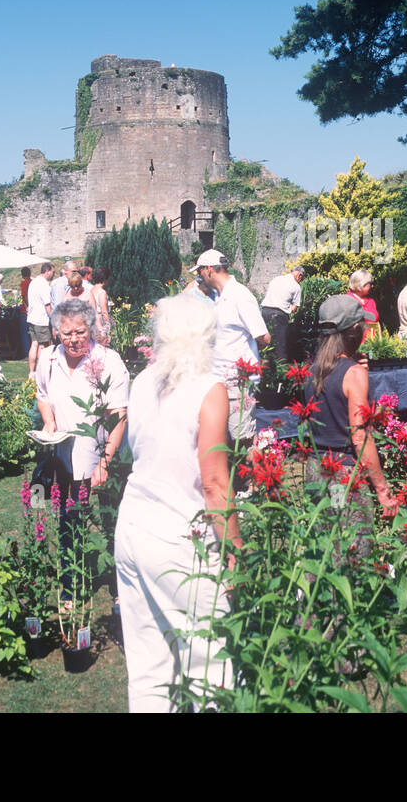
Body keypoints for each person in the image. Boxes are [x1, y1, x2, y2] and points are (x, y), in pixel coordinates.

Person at [114, 292, 241, 712]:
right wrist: (236, 550)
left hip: (132, 524)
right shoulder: (210, 389)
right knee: (211, 664)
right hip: (179, 535)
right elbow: (214, 483)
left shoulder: (144, 381)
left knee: (150, 666)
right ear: (206, 336)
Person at [35, 298, 129, 603]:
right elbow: (43, 396)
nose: (74, 339)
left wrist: (104, 464)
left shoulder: (108, 361)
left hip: (103, 456)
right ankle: (71, 587)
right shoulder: (48, 359)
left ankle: (120, 589)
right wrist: (48, 421)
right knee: (69, 523)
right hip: (64, 459)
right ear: (56, 332)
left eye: (80, 331)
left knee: (111, 523)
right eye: (67, 333)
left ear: (90, 329)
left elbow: (119, 415)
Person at [303, 294, 399, 549]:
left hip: (315, 469)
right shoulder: (353, 373)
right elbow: (360, 437)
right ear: (355, 330)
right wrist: (381, 489)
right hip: (341, 473)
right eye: (363, 325)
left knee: (324, 543)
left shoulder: (310, 370)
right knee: (352, 547)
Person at [196, 249, 269, 446]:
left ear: (209, 270)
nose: (198, 277)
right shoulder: (220, 297)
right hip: (221, 380)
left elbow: (263, 336)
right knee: (225, 439)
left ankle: (255, 474)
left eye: (200, 272)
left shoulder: (240, 295)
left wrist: (246, 358)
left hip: (239, 382)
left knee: (242, 439)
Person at [260, 265, 305, 364]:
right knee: (281, 345)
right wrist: (290, 308)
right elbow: (294, 309)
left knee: (265, 342)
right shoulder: (296, 287)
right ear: (299, 275)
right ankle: (281, 372)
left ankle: (263, 367)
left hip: (264, 311)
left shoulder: (276, 279)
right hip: (279, 315)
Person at [27, 262, 55, 377]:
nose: (53, 274)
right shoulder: (44, 285)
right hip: (41, 319)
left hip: (32, 317)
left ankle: (32, 372)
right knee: (43, 346)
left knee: (34, 344)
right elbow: (47, 305)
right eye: (53, 271)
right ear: (47, 271)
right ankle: (41, 372)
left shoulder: (33, 282)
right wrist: (53, 320)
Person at [346, 269, 379, 342]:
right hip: (354, 346)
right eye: (370, 284)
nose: (372, 286)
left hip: (372, 344)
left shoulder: (371, 301)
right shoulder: (347, 300)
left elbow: (374, 323)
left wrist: (378, 340)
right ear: (360, 285)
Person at [90, 266, 111, 342]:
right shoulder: (102, 292)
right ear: (105, 278)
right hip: (100, 322)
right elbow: (104, 312)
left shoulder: (91, 289)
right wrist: (108, 326)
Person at [19, 266, 33, 358]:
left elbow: (24, 296)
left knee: (24, 333)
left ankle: (27, 353)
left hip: (25, 310)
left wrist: (27, 306)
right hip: (33, 309)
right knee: (32, 332)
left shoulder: (24, 283)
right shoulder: (32, 282)